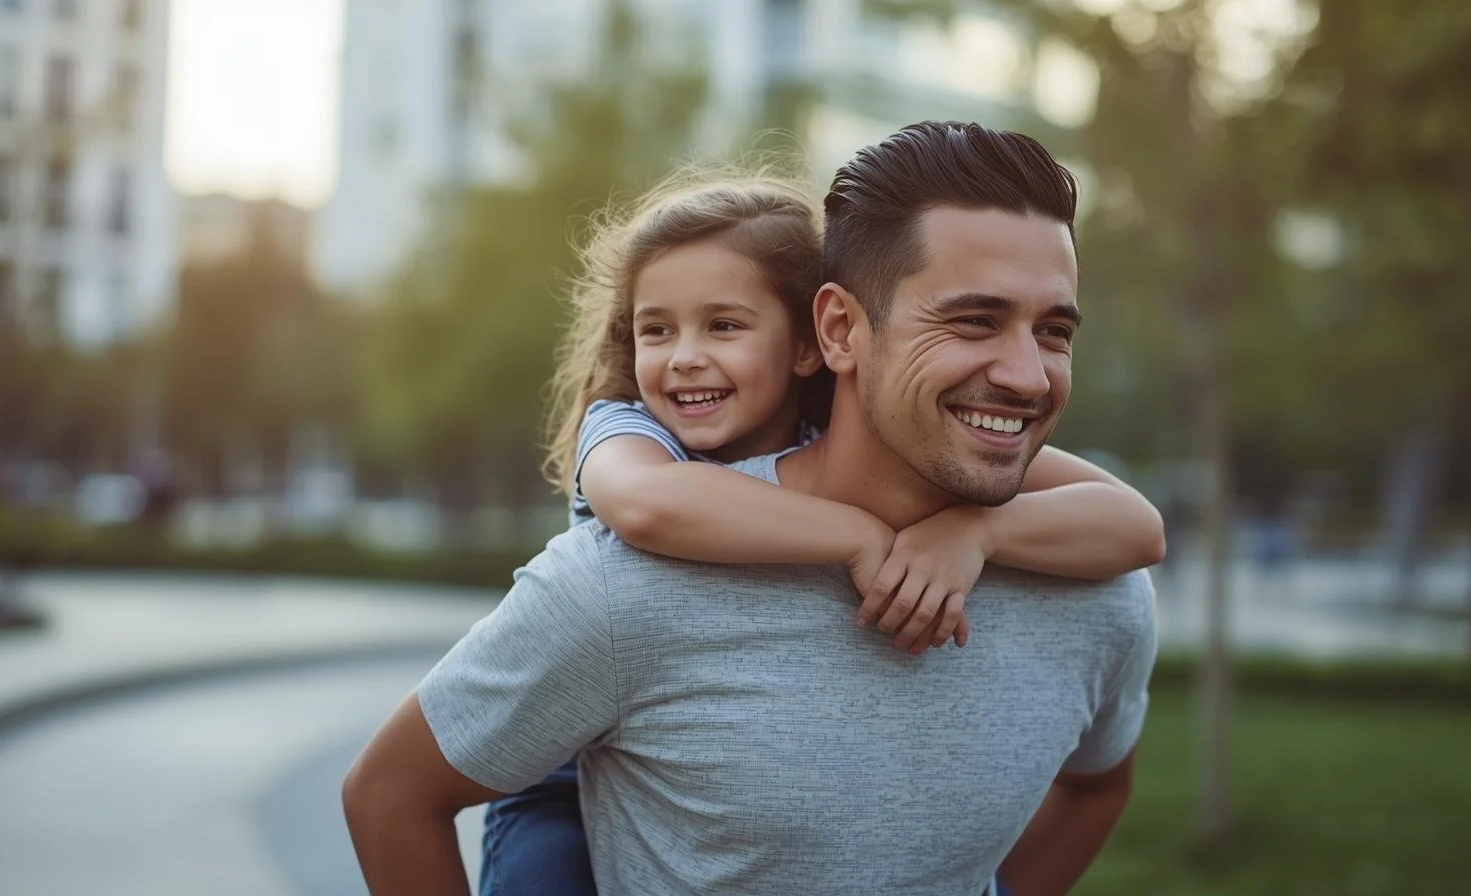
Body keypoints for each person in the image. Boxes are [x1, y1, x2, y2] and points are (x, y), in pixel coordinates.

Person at [344, 121, 1161, 896]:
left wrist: (978, 528)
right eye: (973, 320)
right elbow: (389, 794)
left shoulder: (1098, 589)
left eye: (1053, 331)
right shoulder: (625, 579)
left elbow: (1097, 783)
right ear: (838, 329)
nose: (1026, 375)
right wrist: (858, 537)